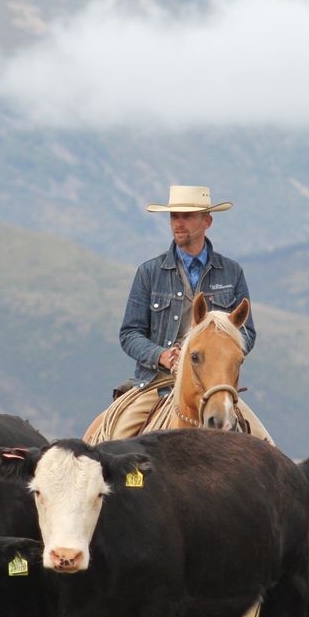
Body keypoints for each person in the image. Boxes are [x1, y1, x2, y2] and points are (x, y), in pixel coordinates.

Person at [85, 185, 257, 441]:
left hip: (214, 387)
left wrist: (217, 353)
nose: (178, 223)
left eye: (187, 216)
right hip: (157, 384)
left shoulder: (231, 272)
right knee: (110, 445)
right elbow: (130, 333)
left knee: (268, 449)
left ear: (207, 221)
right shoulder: (149, 272)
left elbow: (247, 333)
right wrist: (162, 356)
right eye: (174, 216)